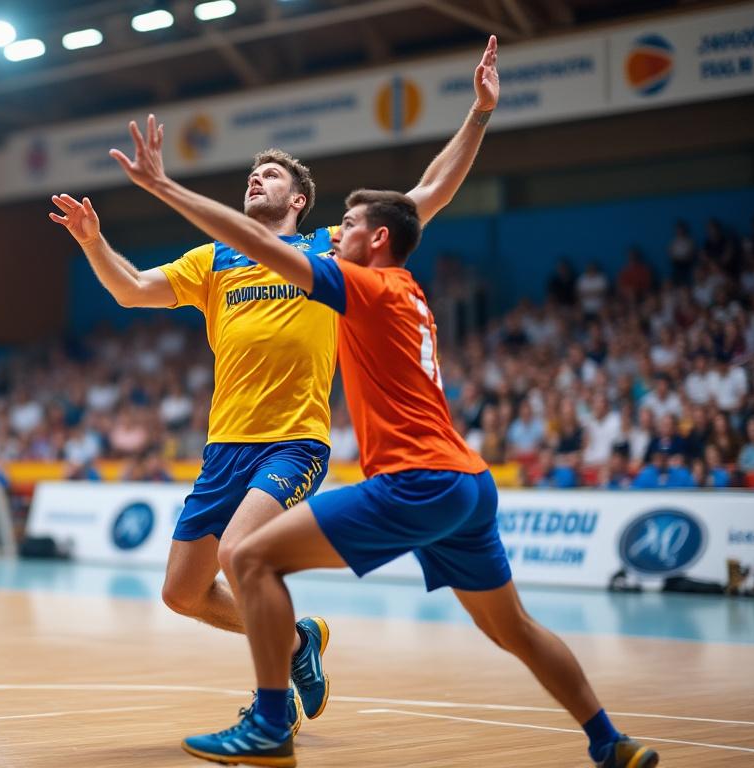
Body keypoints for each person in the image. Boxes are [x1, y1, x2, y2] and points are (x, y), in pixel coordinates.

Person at [110, 97, 656, 768]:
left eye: (347, 225)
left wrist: (164, 186)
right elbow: (425, 194)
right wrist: (479, 115)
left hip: (408, 476)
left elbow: (265, 240)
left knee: (248, 558)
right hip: (467, 482)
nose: (338, 232)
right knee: (511, 626)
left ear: (370, 242)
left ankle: (270, 725)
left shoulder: (357, 284)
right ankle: (610, 741)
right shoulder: (400, 284)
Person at [49, 35, 502, 733]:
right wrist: (91, 241)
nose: (255, 181)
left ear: (300, 198)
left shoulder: (333, 248)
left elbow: (428, 194)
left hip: (292, 442)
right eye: (251, 176)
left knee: (241, 553)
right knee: (182, 594)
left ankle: (267, 713)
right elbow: (134, 289)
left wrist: (476, 114)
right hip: (223, 445)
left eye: (269, 176)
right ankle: (297, 643)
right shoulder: (214, 257)